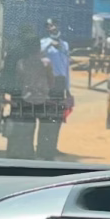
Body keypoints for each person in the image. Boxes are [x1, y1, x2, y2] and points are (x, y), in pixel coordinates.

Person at [6, 32, 54, 159]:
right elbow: (51, 81)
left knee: (28, 128)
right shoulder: (46, 63)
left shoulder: (21, 63)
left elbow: (19, 81)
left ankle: (28, 153)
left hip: (27, 99)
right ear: (39, 48)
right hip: (43, 99)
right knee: (44, 129)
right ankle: (42, 152)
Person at [38, 18, 72, 159]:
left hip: (60, 83)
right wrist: (49, 44)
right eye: (50, 26)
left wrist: (68, 89)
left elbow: (66, 67)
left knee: (58, 117)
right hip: (48, 82)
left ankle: (52, 146)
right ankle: (41, 148)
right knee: (46, 116)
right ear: (47, 29)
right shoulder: (43, 43)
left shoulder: (65, 45)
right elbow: (39, 55)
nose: (53, 28)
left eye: (55, 25)